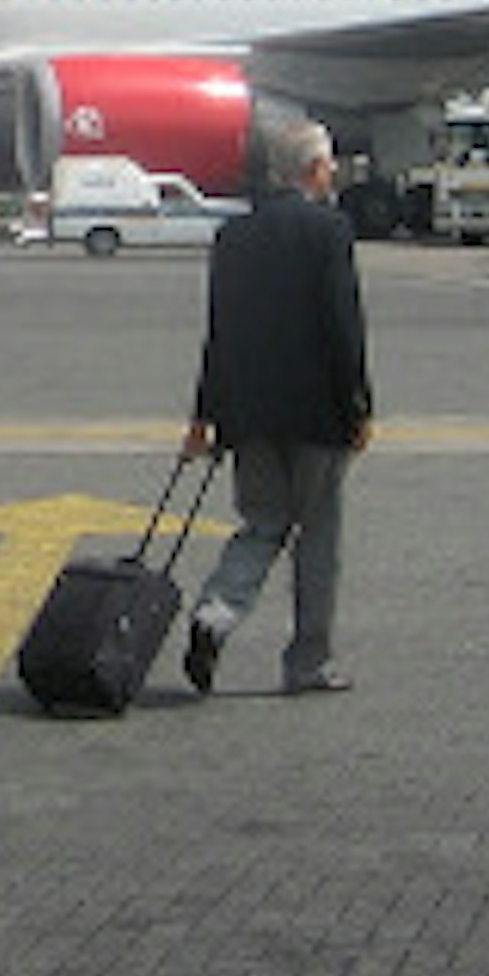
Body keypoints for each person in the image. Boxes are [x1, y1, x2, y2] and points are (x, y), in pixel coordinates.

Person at [177, 118, 375, 697]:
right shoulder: (328, 231)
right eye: (330, 162)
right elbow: (343, 327)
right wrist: (359, 403)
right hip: (317, 413)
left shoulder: (234, 238)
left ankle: (216, 614)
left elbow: (220, 333)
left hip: (251, 413)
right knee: (317, 535)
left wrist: (204, 414)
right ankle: (307, 660)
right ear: (314, 170)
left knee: (261, 524)